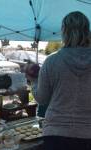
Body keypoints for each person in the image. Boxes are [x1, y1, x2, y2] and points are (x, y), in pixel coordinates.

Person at [36, 11, 91, 150]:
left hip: (56, 133)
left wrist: (33, 81)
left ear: (64, 32)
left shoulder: (52, 61)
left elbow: (42, 99)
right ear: (87, 31)